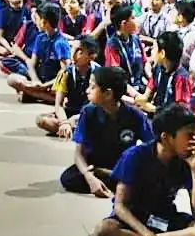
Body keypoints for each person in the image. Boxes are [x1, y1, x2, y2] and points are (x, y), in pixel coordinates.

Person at [94, 103, 195, 236]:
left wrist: (194, 170)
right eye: (189, 136)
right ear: (166, 137)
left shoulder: (184, 160)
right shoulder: (135, 156)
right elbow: (120, 206)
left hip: (164, 219)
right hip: (134, 221)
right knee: (104, 230)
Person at [61, 66, 154, 196]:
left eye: (92, 87)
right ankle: (113, 182)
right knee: (67, 178)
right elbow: (79, 153)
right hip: (95, 164)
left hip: (122, 165)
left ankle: (111, 176)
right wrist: (89, 178)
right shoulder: (88, 112)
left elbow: (152, 148)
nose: (87, 91)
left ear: (108, 94)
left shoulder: (135, 115)